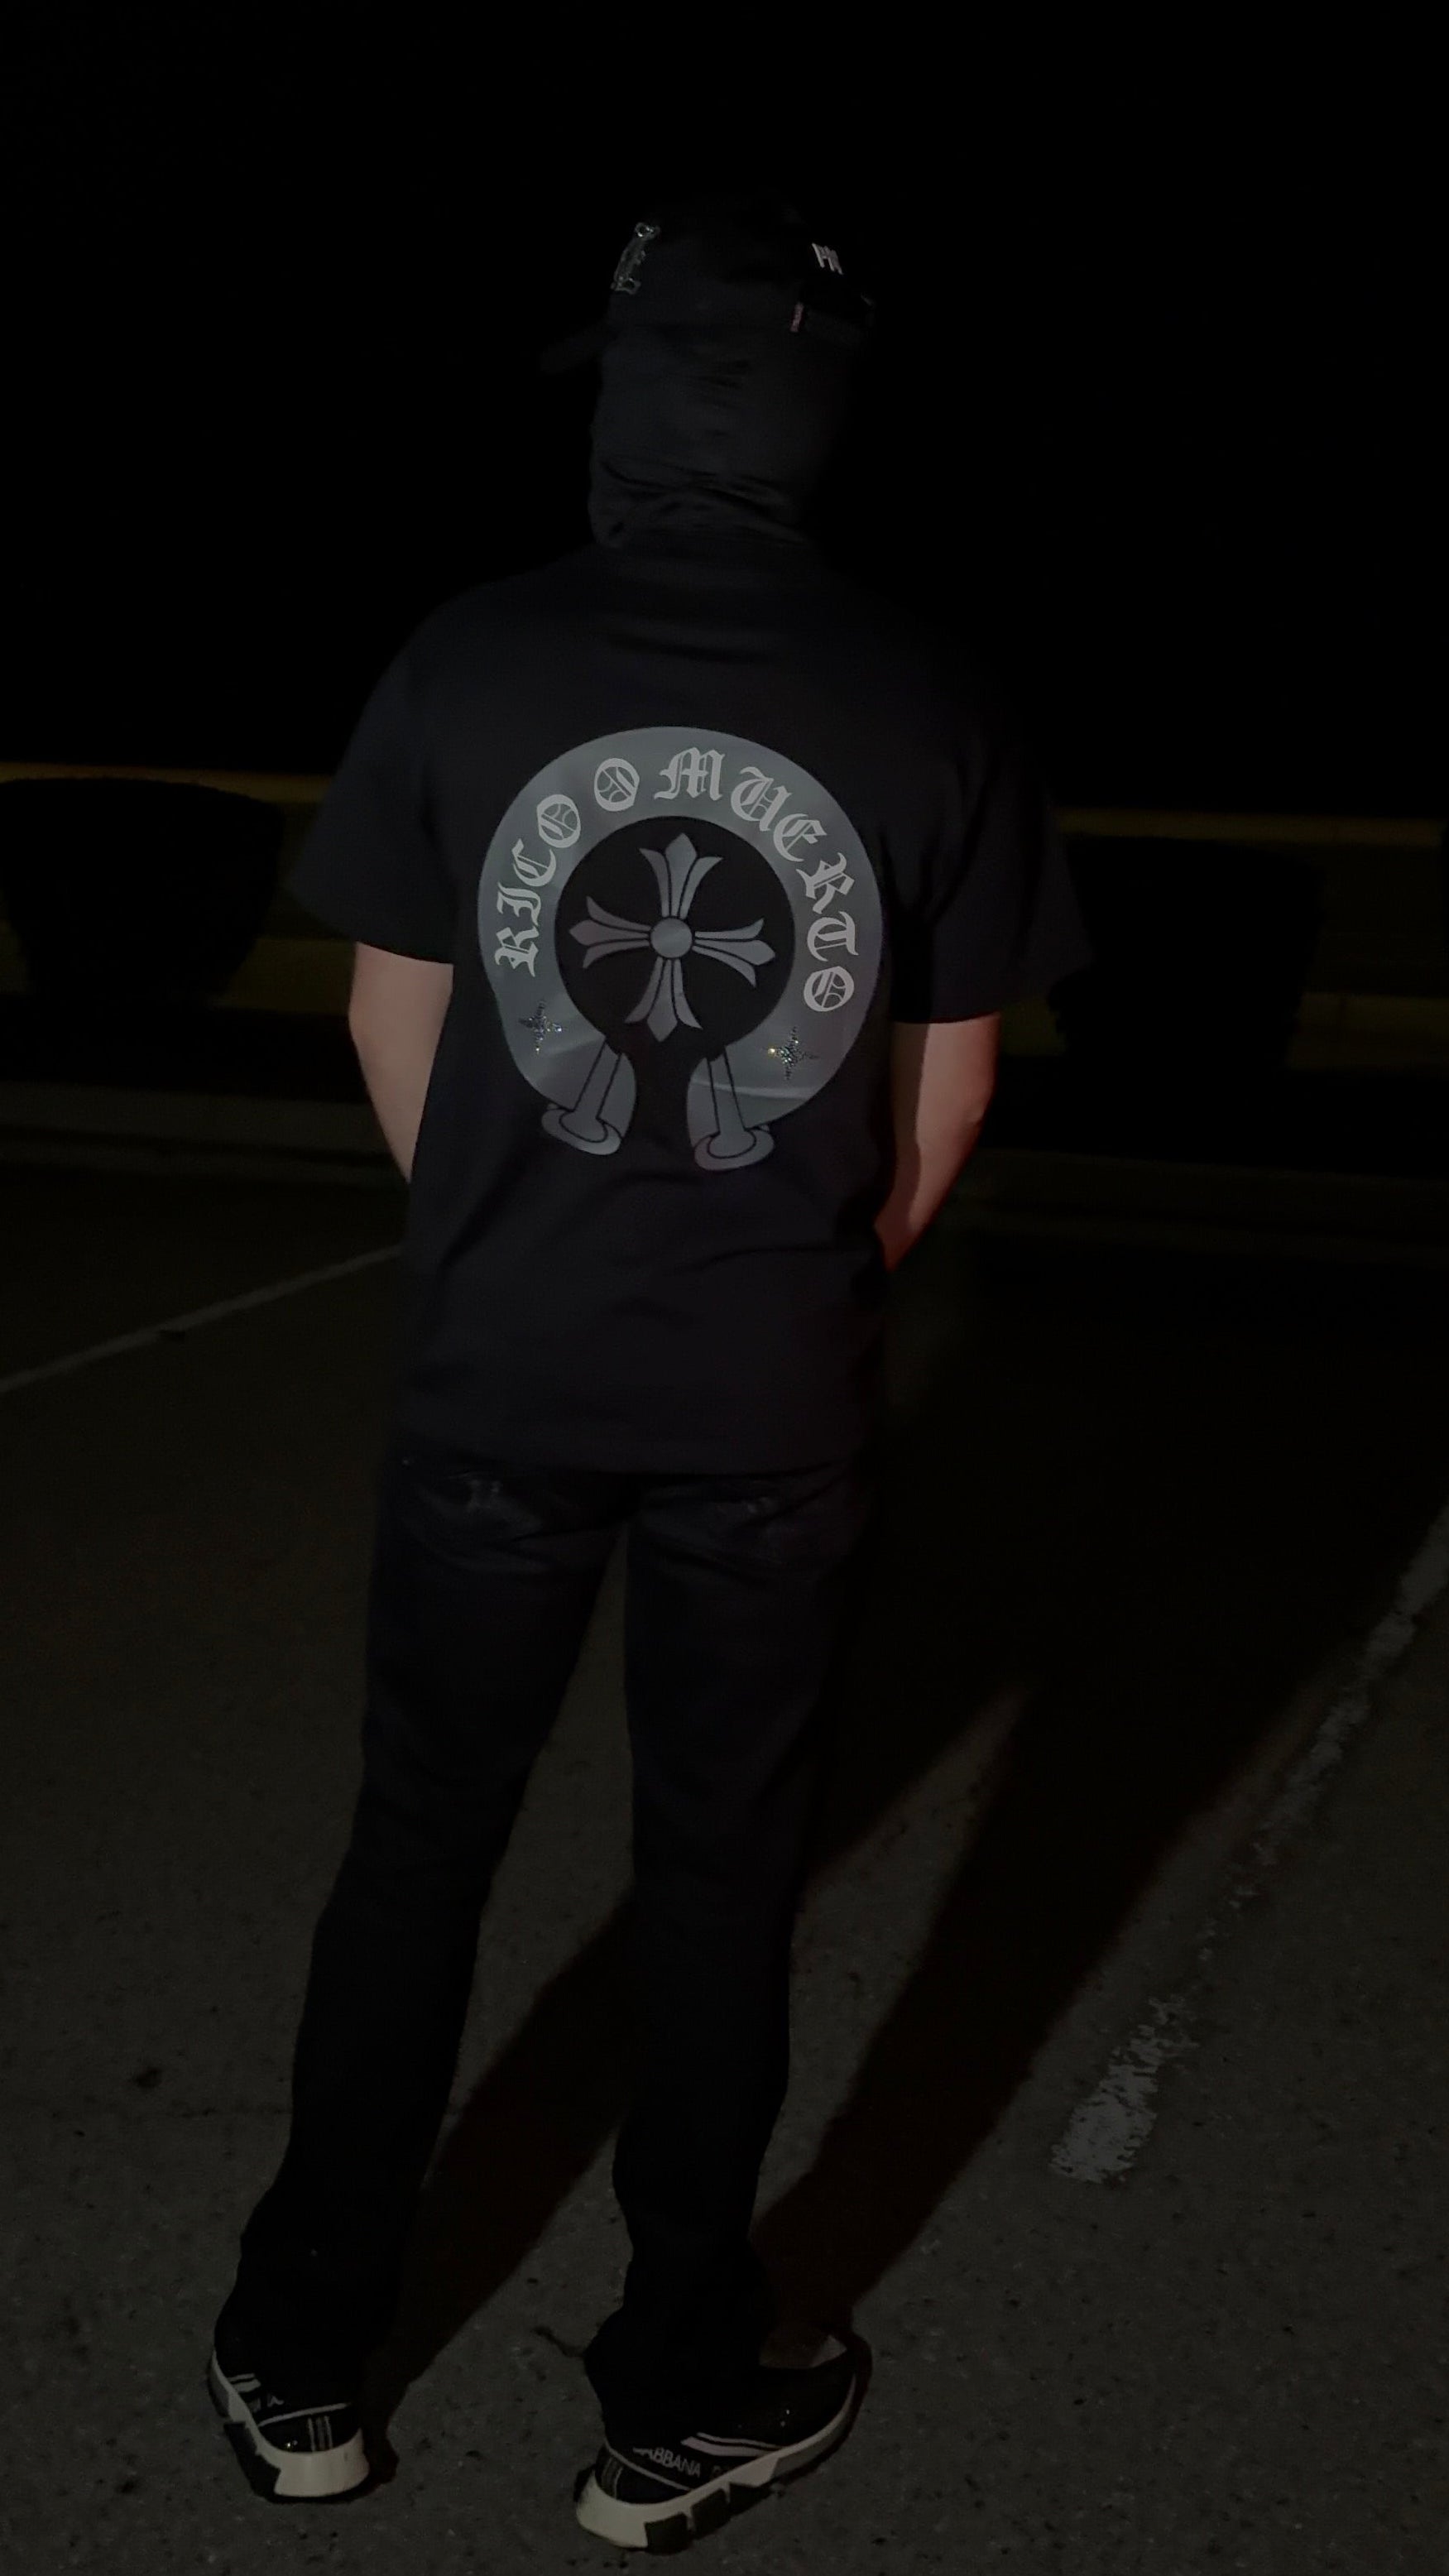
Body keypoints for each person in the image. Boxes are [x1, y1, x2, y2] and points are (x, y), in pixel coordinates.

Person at [207, 189, 1092, 2552]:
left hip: (494, 1386)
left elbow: (394, 1016)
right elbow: (949, 1101)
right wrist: (791, 1284)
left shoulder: (470, 658)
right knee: (720, 1883)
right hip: (768, 1417)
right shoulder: (932, 694)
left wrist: (513, 1251)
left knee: (419, 1852)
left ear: (628, 399)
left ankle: (300, 2353)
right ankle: (677, 2391)